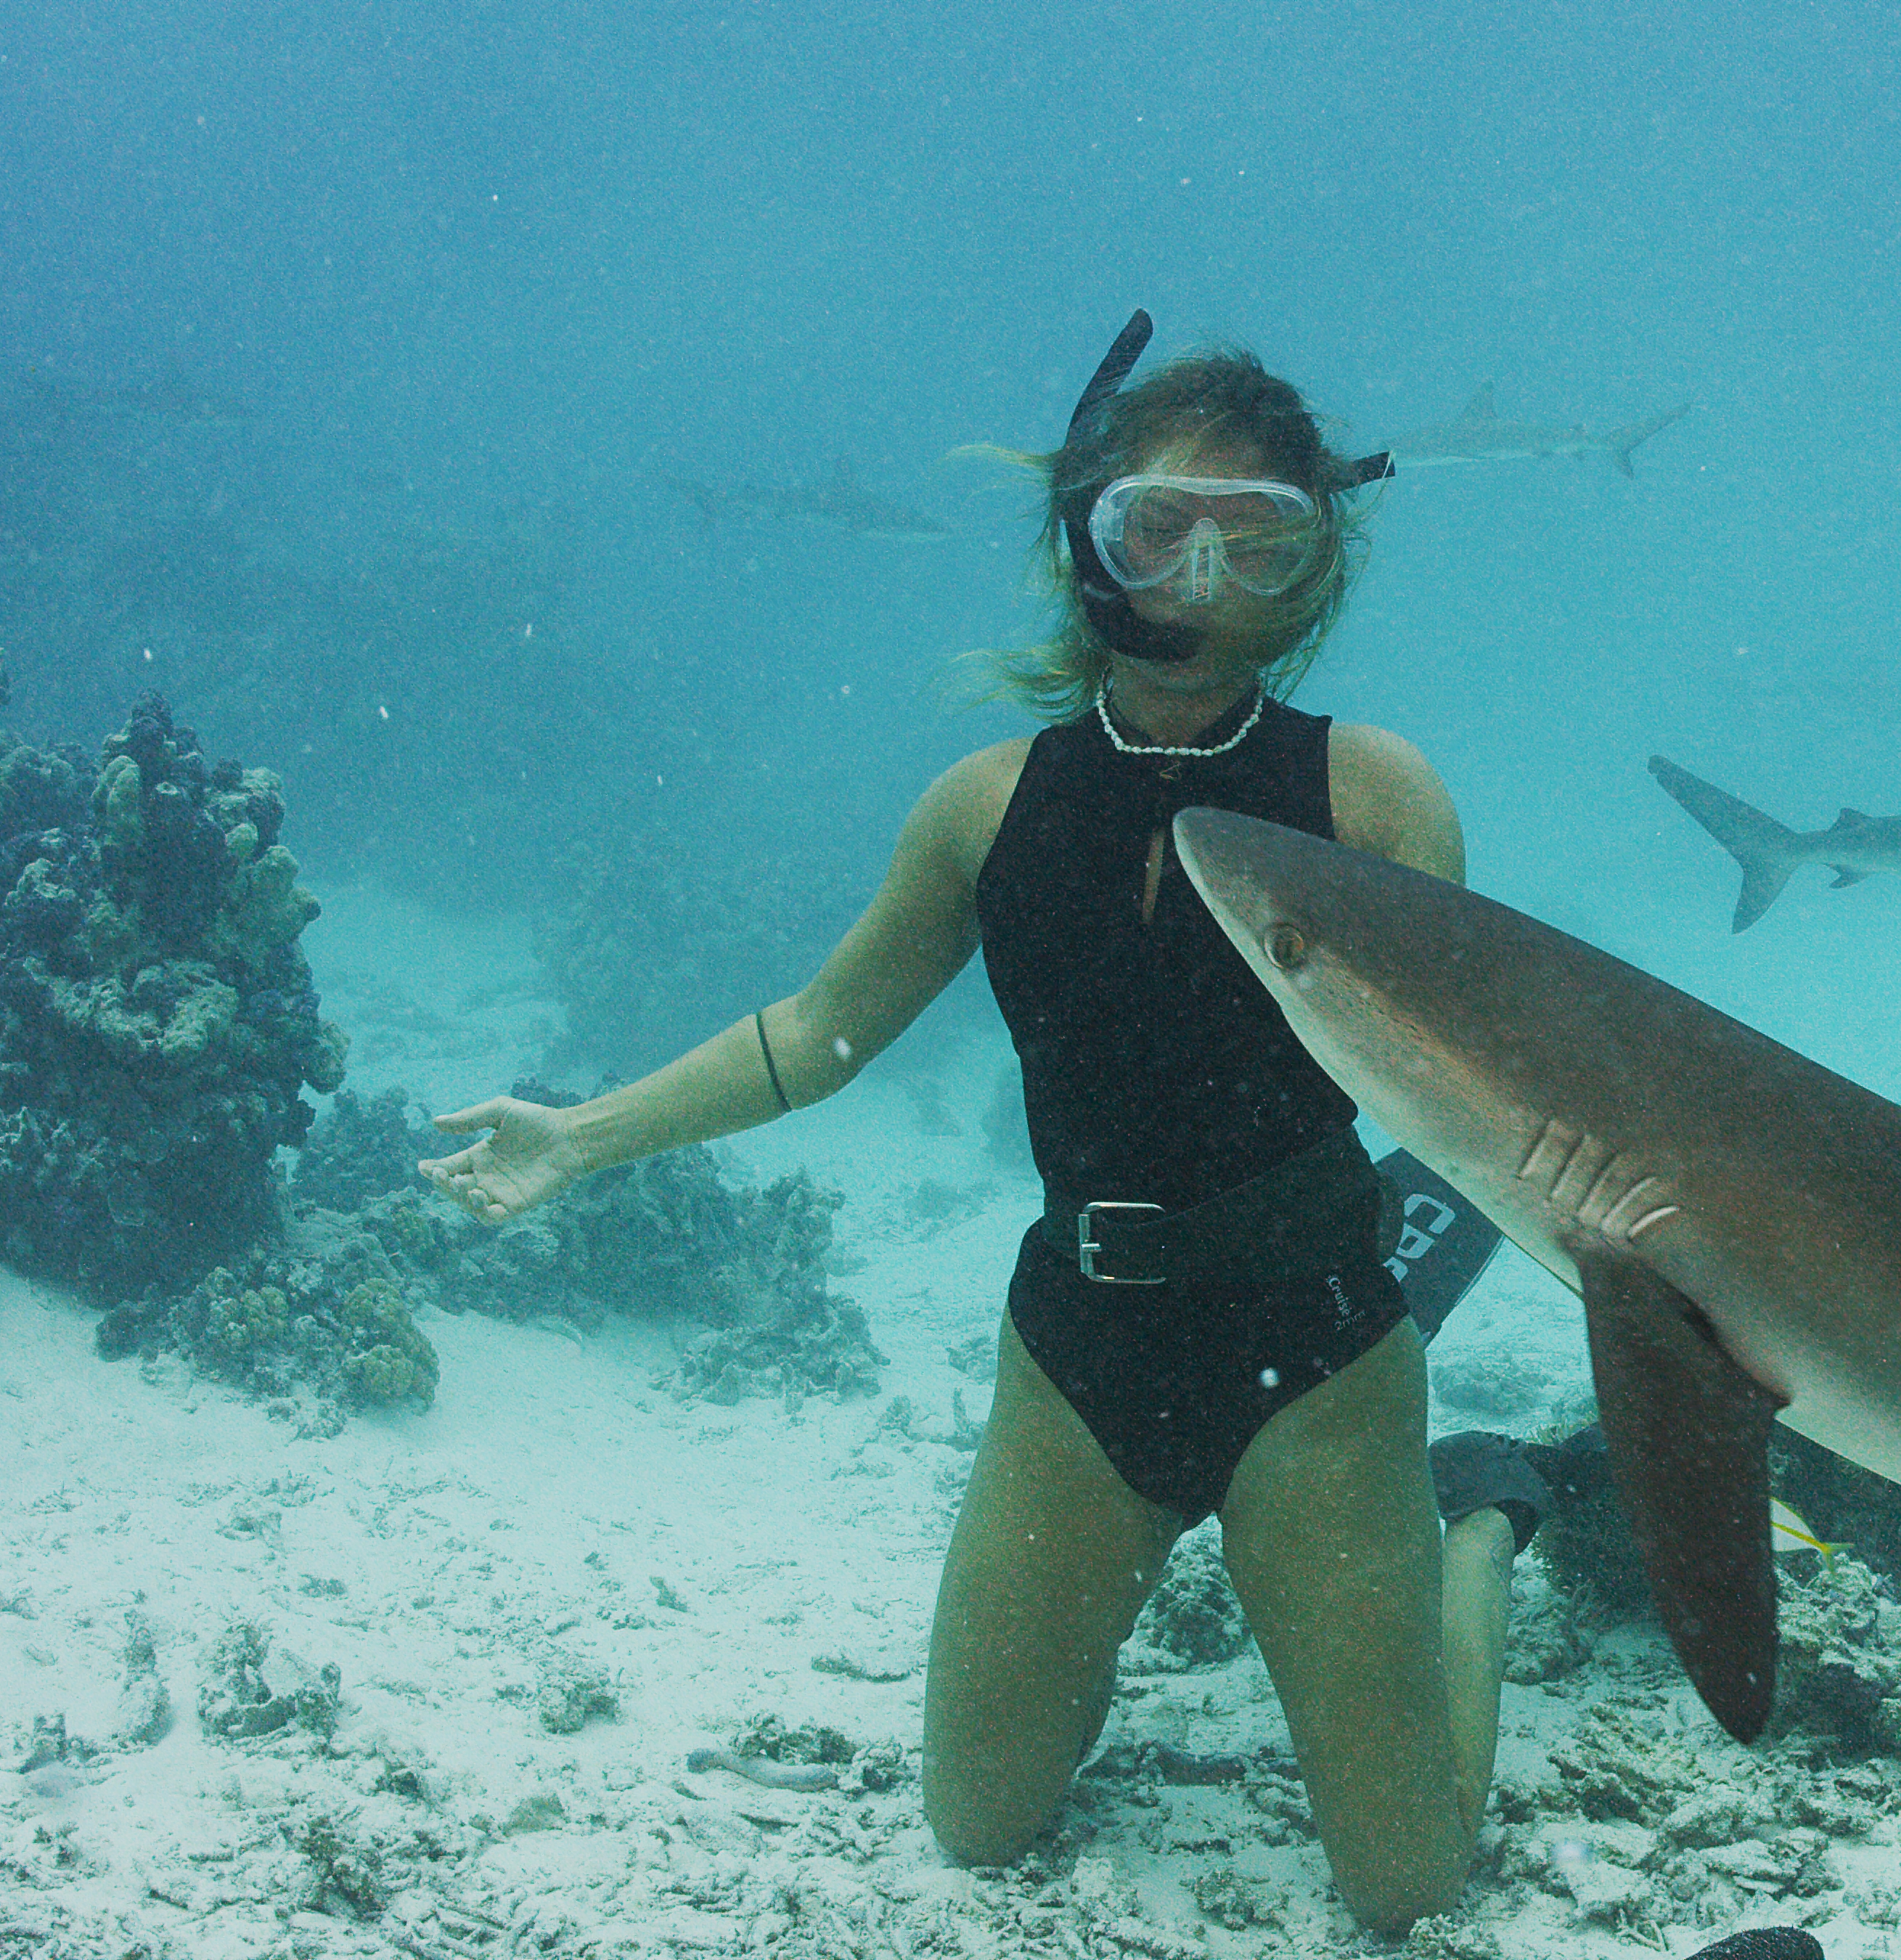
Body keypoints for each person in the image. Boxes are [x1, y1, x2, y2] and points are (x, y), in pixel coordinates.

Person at [416, 310, 1559, 1934]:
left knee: (1408, 1885)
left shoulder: (1376, 794)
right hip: (1074, 1350)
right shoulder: (983, 806)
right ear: (1084, 536)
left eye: (1261, 537)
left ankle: (1489, 1523)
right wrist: (580, 1134)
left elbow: (1483, 1083)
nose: (1206, 577)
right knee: (975, 1825)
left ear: (1316, 564)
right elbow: (816, 1037)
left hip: (1322, 1354)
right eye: (1160, 524)